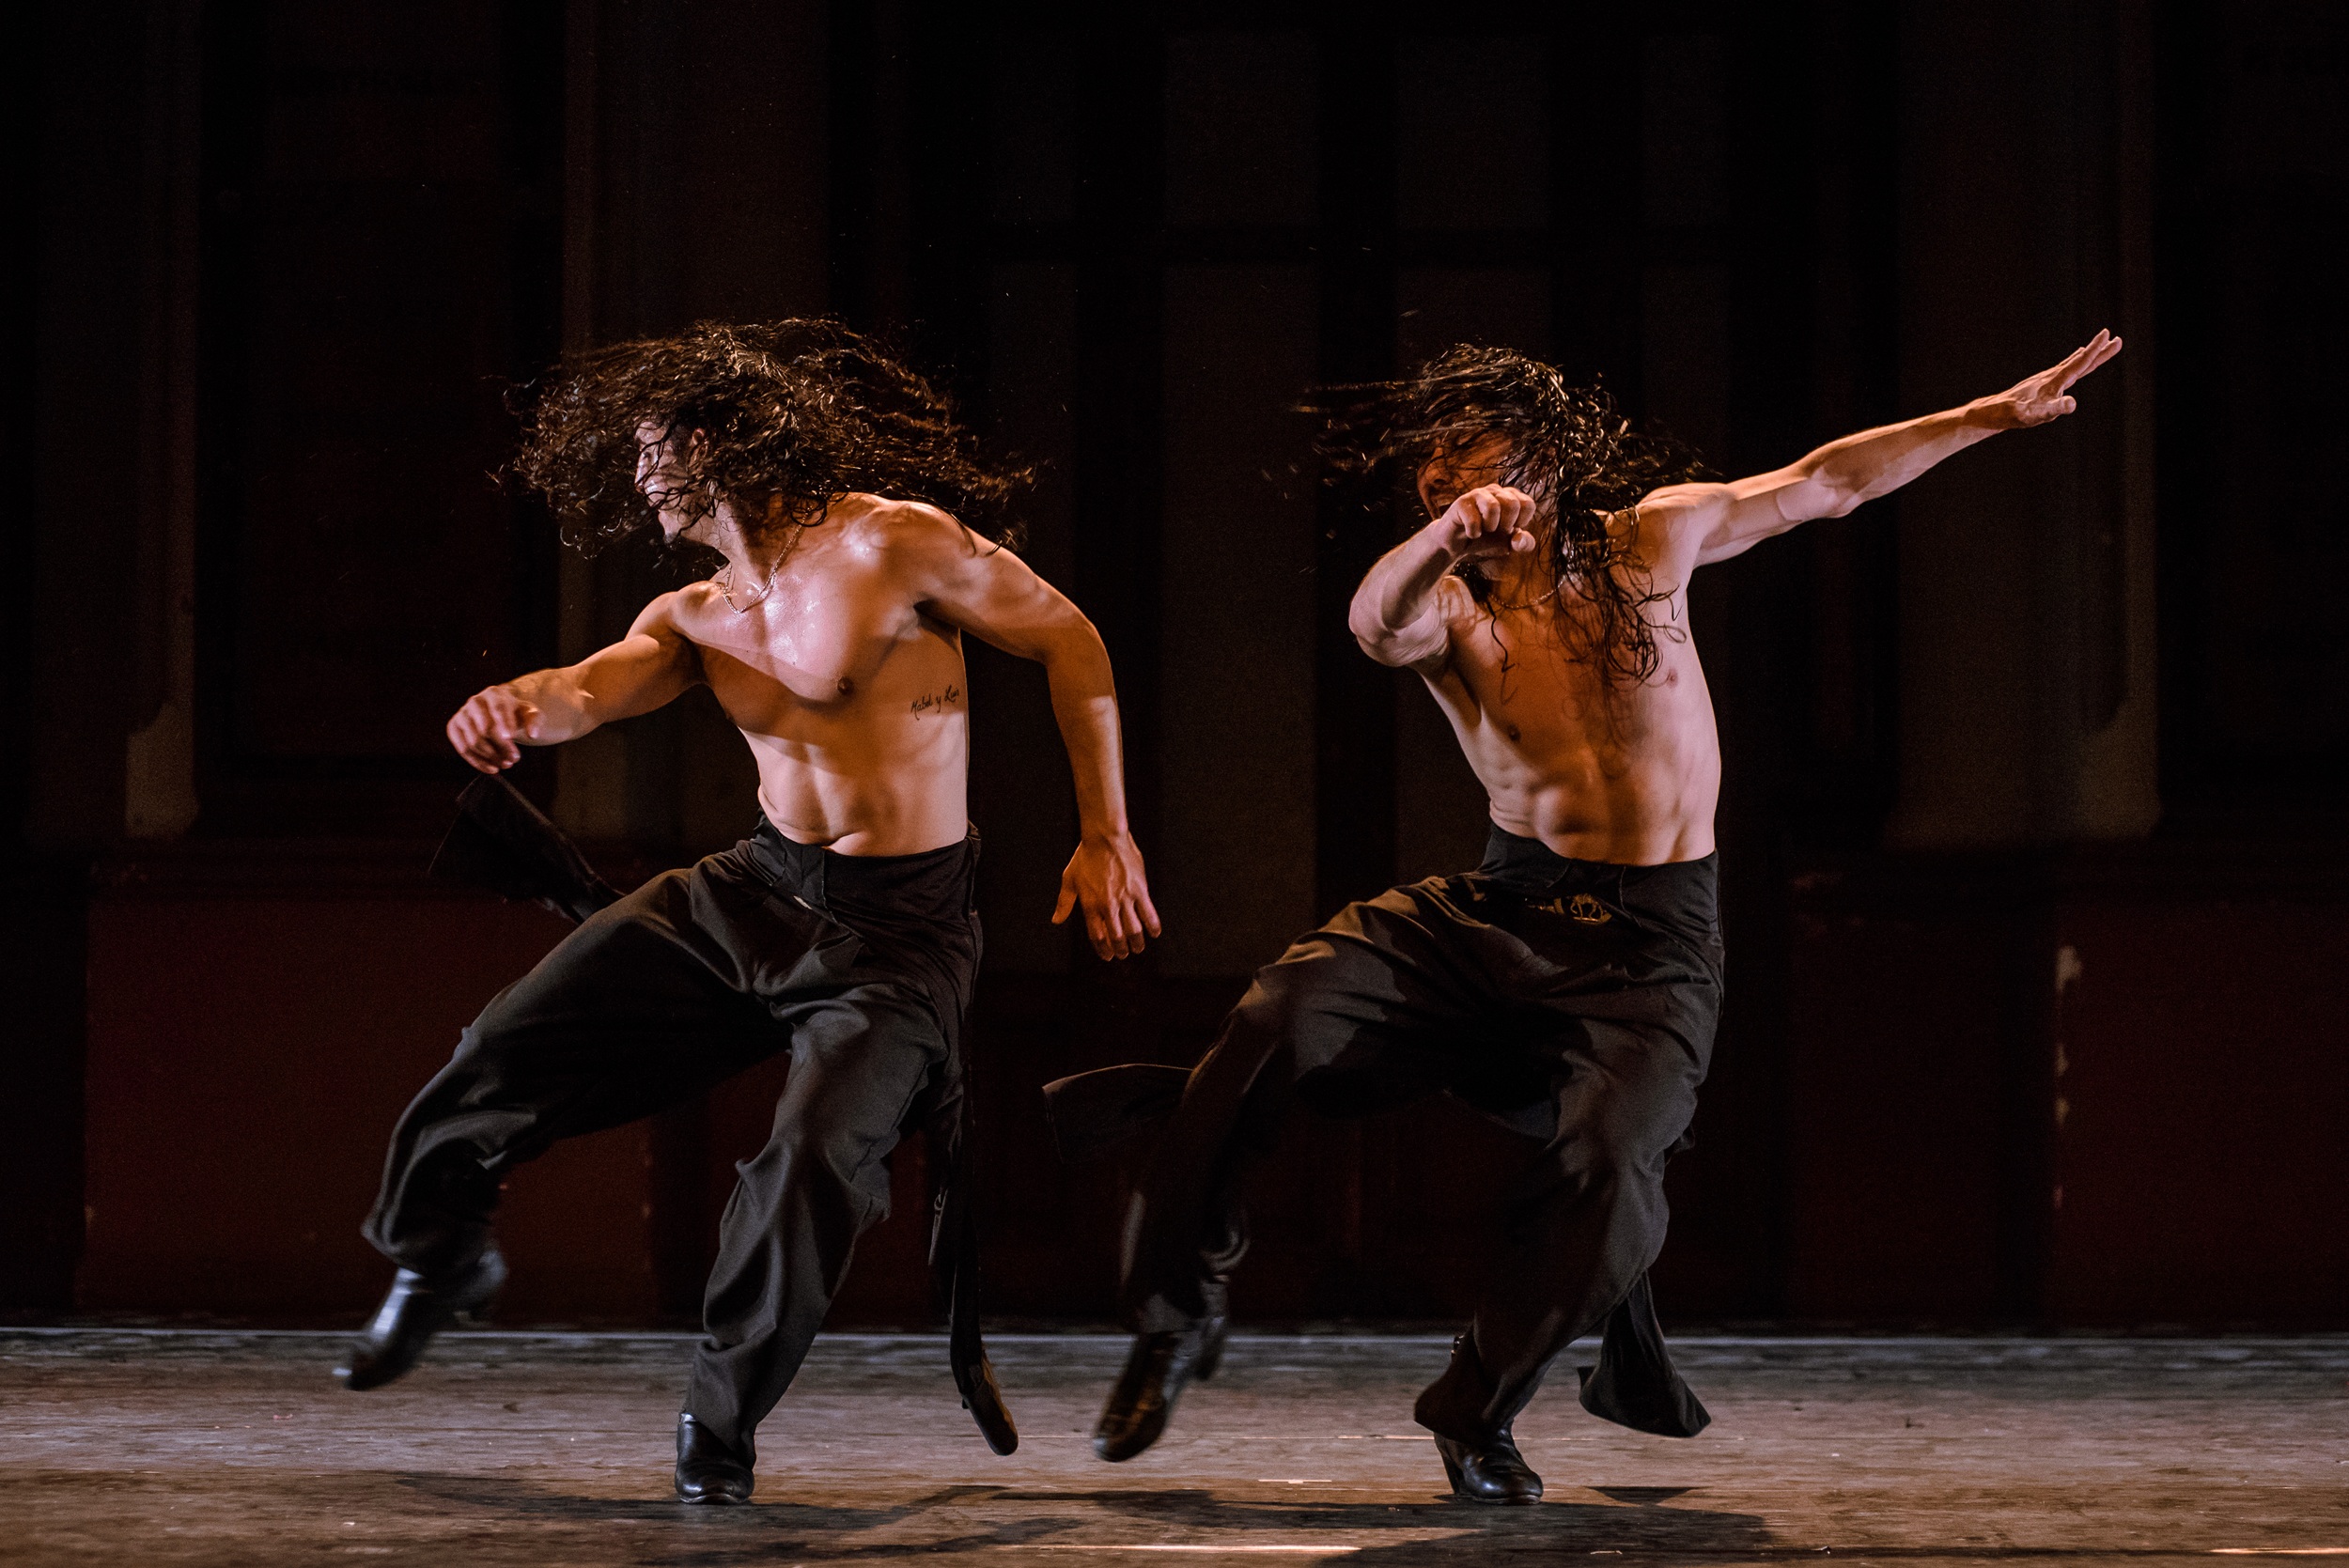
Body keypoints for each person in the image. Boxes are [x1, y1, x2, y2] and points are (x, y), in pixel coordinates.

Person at [1078, 331, 2123, 1503]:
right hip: (1500, 909)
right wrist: (1441, 536)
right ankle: (1176, 1310)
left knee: (1615, 1169)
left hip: (1649, 944)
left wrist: (1984, 416)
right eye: (1432, 470)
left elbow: (1825, 481)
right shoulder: (1453, 606)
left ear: (1541, 456)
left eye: (1471, 456)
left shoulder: (1647, 542)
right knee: (1275, 1015)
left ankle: (1476, 1407)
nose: (1447, 479)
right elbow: (1373, 622)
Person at [340, 318, 1161, 1505]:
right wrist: (515, 702)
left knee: (811, 1162)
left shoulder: (892, 542)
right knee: (502, 1044)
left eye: (653, 447)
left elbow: (1069, 639)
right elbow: (591, 689)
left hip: (899, 928)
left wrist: (1105, 830)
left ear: (722, 444)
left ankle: (717, 1423)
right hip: (752, 893)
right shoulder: (695, 612)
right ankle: (440, 1249)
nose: (638, 473)